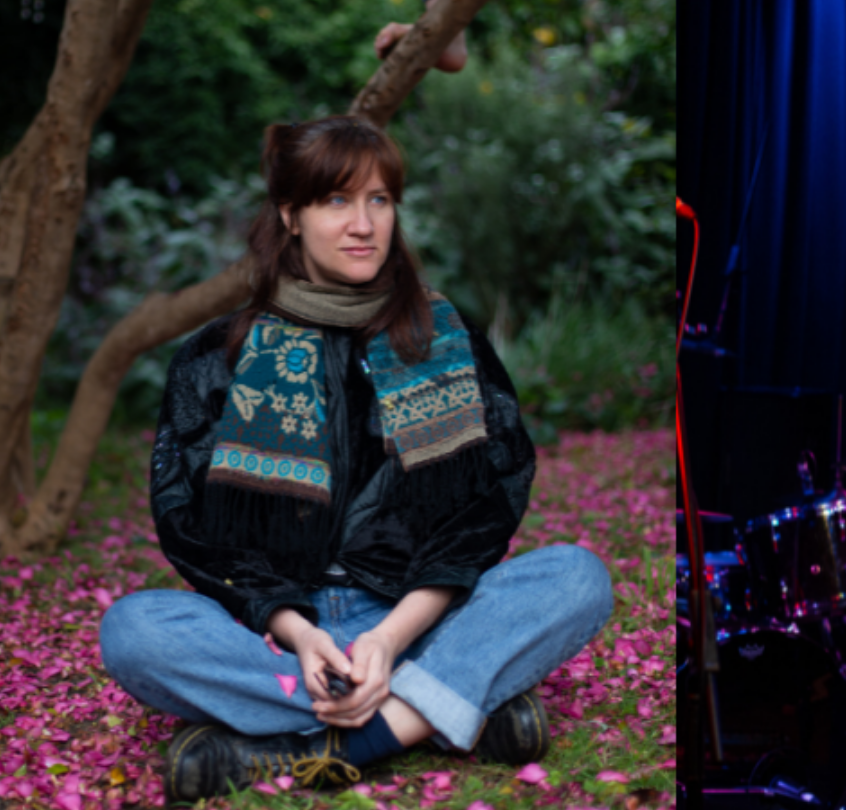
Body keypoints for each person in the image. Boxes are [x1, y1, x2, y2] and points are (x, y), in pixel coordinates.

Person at [99, 115, 613, 803]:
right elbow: (191, 526)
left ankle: (330, 741)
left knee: (579, 577)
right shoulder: (215, 357)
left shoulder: (444, 340)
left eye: (379, 200)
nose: (364, 223)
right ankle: (442, 710)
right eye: (336, 200)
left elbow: (485, 507)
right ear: (291, 214)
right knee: (132, 631)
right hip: (278, 637)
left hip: (413, 619)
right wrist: (300, 634)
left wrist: (389, 638)